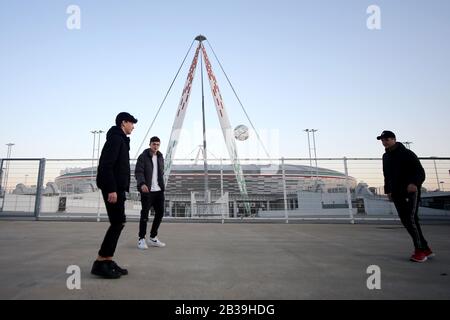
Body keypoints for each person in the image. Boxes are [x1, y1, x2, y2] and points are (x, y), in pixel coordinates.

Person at [91, 112, 138, 278]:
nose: (133, 126)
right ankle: (100, 262)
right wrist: (111, 189)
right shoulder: (116, 139)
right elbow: (106, 165)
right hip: (113, 189)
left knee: (119, 222)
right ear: (123, 122)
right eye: (131, 123)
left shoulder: (121, 140)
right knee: (117, 222)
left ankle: (106, 260)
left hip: (118, 188)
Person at [377, 130, 434, 262]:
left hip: (409, 191)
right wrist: (388, 191)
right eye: (382, 140)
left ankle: (420, 251)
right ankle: (425, 248)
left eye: (387, 139)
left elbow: (420, 171)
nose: (384, 142)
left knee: (411, 219)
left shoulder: (407, 153)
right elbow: (387, 175)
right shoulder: (385, 157)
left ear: (394, 139)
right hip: (396, 192)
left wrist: (414, 183)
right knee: (406, 220)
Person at [135, 136, 166, 249]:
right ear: (150, 144)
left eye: (158, 144)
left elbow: (161, 173)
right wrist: (142, 183)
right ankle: (141, 239)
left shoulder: (160, 157)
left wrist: (161, 186)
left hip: (158, 191)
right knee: (144, 215)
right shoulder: (143, 157)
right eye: (154, 144)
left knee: (160, 213)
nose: (156, 146)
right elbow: (138, 172)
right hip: (147, 191)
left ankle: (153, 237)